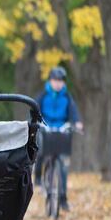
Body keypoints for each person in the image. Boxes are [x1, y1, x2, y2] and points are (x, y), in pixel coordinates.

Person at [35, 66, 83, 211]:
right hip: (46, 128)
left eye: (61, 81)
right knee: (40, 153)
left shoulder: (67, 96)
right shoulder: (43, 95)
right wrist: (34, 121)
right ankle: (37, 179)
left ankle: (63, 199)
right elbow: (35, 109)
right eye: (55, 80)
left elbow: (73, 112)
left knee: (62, 164)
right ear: (50, 81)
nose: (58, 83)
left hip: (61, 129)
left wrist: (78, 122)